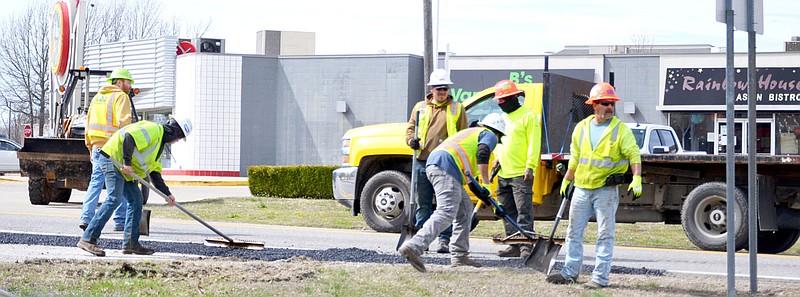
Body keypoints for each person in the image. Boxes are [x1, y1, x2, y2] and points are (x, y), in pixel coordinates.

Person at [546, 82, 642, 288]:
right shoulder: (581, 127)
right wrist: (567, 179)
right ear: (594, 105)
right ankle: (570, 272)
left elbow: (634, 154)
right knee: (573, 232)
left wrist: (637, 178)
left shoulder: (620, 130)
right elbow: (575, 157)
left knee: (604, 234)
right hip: (581, 188)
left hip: (605, 191)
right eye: (605, 103)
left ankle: (600, 278)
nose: (610, 107)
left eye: (612, 103)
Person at [398, 113, 505, 272]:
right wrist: (487, 183)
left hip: (439, 165)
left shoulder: (470, 135)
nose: (496, 142)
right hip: (446, 167)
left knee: (465, 211)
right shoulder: (488, 134)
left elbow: (473, 184)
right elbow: (483, 153)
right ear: (498, 132)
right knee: (446, 211)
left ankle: (460, 255)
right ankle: (414, 246)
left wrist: (489, 200)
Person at [77, 117, 193, 257]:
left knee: (136, 200)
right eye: (179, 137)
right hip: (114, 160)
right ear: (175, 131)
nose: (177, 141)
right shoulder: (154, 130)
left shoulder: (159, 146)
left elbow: (155, 174)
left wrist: (167, 195)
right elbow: (129, 138)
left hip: (125, 170)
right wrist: (127, 163)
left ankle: (131, 244)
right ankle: (88, 239)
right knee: (114, 198)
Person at [406, 69, 468, 253]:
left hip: (446, 165)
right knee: (422, 204)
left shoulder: (457, 109)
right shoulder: (420, 107)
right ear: (431, 89)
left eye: (445, 88)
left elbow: (463, 135)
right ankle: (421, 241)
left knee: (445, 205)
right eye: (439, 88)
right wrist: (411, 141)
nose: (442, 92)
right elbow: (410, 129)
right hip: (422, 161)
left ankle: (444, 240)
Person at [79, 68, 135, 231]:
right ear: (119, 82)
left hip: (97, 146)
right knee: (122, 181)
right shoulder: (121, 97)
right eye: (128, 82)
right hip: (113, 147)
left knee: (96, 182)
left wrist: (90, 147)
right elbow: (124, 125)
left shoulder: (97, 98)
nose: (130, 86)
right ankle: (120, 220)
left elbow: (88, 124)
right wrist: (128, 149)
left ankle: (86, 218)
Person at [491, 80, 541, 259]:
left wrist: (530, 165)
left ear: (514, 98)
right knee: (507, 210)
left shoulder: (528, 116)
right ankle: (513, 244)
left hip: (521, 173)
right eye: (499, 100)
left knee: (523, 211)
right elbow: (499, 141)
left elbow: (534, 143)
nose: (499, 103)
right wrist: (497, 156)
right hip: (504, 172)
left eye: (503, 100)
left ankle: (526, 245)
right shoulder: (502, 118)